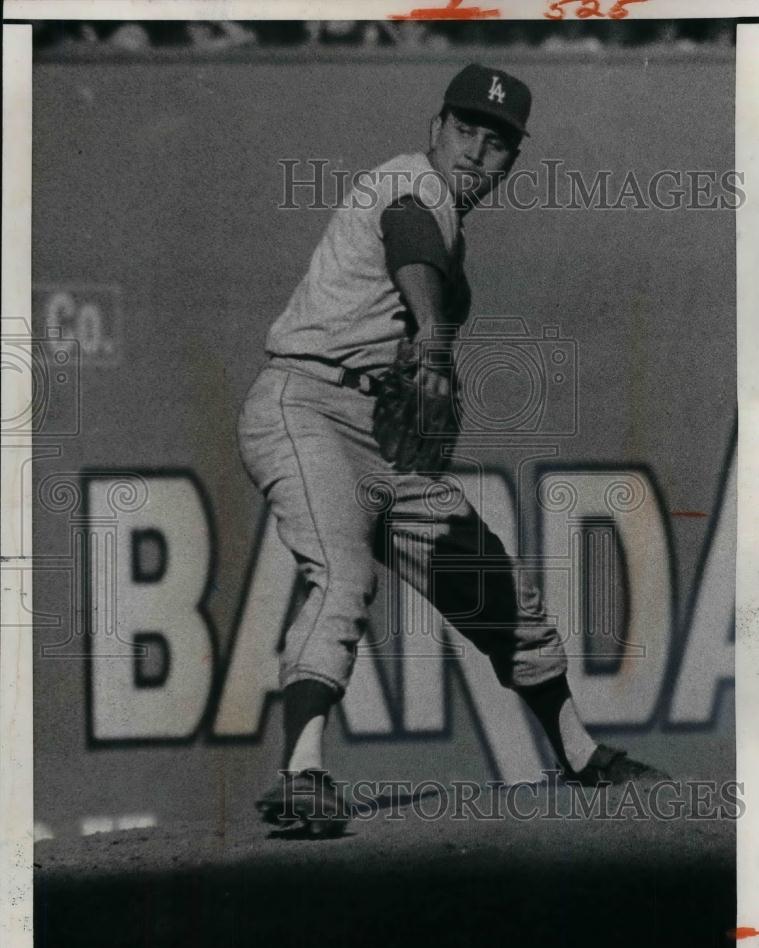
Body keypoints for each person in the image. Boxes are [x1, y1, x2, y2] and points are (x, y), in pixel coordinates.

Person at [237, 64, 667, 835]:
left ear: (512, 162)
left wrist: (425, 373)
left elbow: (424, 279)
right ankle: (301, 770)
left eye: (496, 143)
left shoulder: (451, 233)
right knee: (340, 574)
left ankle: (577, 752)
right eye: (465, 131)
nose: (474, 153)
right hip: (302, 404)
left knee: (494, 586)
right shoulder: (413, 184)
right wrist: (436, 353)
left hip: (376, 434)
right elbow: (409, 241)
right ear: (434, 128)